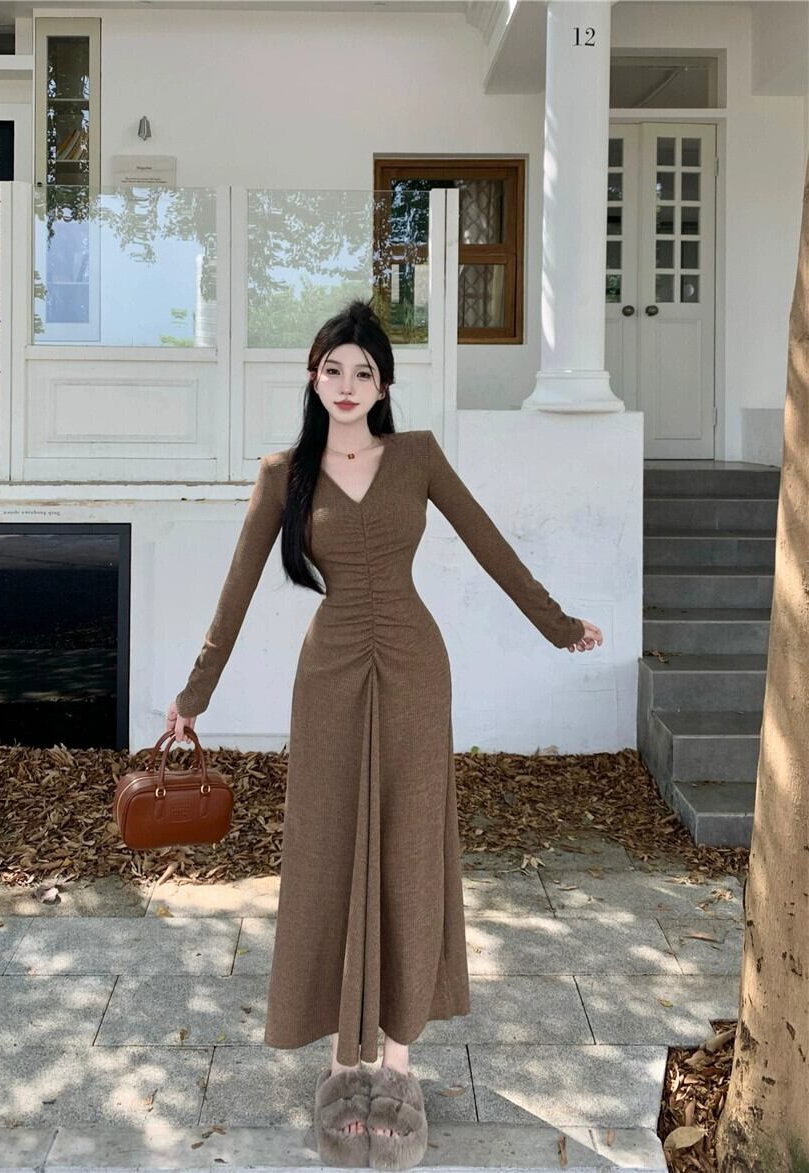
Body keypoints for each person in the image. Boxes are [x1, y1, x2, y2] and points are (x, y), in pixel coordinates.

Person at [167, 298, 602, 1171]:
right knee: (326, 847)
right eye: (334, 368)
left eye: (363, 372)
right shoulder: (284, 473)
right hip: (328, 675)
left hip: (413, 670)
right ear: (312, 375)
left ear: (384, 385)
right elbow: (236, 590)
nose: (347, 384)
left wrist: (558, 625)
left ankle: (397, 1065)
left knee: (409, 849)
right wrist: (194, 695)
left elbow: (490, 546)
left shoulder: (417, 457)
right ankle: (341, 1064)